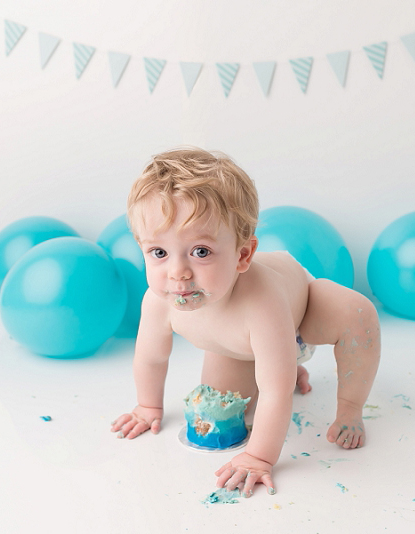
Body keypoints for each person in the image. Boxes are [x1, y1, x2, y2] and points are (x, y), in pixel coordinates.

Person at [110, 147, 381, 498]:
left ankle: (350, 408)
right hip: (238, 348)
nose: (178, 273)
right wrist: (148, 406)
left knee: (356, 313)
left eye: (201, 252)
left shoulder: (262, 304)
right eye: (159, 253)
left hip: (302, 314)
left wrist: (259, 456)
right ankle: (283, 361)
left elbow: (275, 390)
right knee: (225, 403)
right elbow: (151, 358)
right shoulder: (159, 302)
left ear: (243, 255)